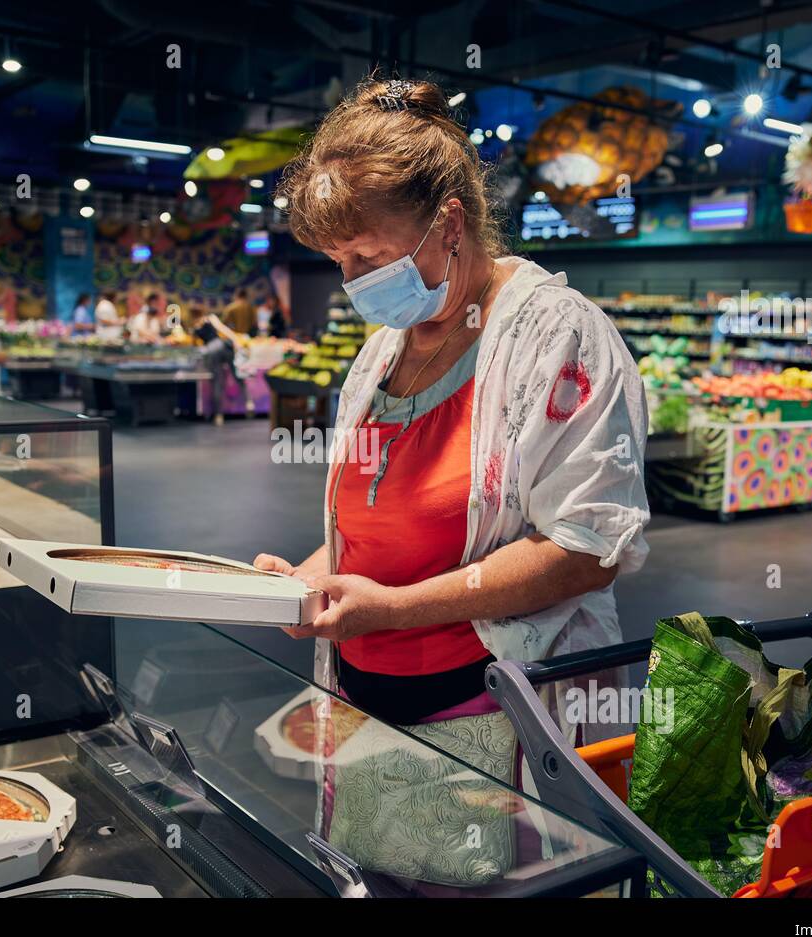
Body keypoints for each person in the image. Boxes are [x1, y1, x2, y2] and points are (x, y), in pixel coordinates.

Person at [254, 77, 650, 750]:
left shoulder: (558, 340)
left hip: (498, 712)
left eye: (370, 258)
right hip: (363, 700)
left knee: (511, 858)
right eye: (339, 262)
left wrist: (397, 610)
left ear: (452, 222)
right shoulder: (382, 353)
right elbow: (369, 515)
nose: (353, 283)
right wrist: (310, 577)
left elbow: (587, 550)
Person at [191, 305, 249, 425]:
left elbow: (195, 345)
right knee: (237, 373)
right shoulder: (210, 318)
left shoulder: (195, 326)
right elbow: (223, 329)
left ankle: (218, 415)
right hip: (222, 346)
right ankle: (249, 402)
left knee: (217, 382)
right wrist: (236, 340)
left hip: (211, 351)